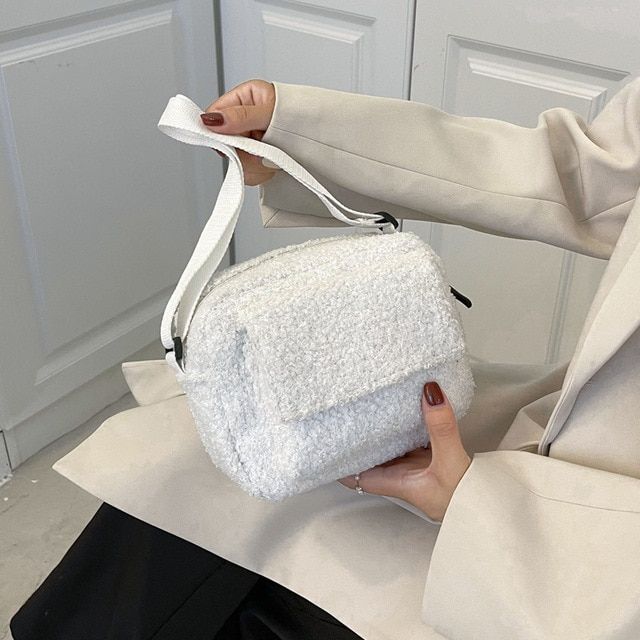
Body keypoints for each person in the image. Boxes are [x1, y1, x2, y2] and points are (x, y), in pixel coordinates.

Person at [12, 75, 640, 639]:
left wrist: (484, 513)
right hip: (569, 430)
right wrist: (299, 136)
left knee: (261, 567)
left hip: (590, 572)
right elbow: (590, 173)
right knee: (180, 470)